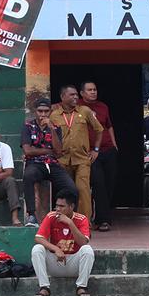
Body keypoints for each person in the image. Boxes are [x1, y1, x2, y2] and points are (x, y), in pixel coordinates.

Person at [50, 85, 104, 221]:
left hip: (82, 159)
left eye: (76, 95)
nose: (75, 97)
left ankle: (84, 223)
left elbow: (99, 130)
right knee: (65, 192)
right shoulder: (54, 115)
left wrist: (96, 149)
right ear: (62, 97)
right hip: (62, 160)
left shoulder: (84, 111)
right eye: (71, 95)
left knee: (83, 190)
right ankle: (64, 220)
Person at [31, 189, 95, 296]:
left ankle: (81, 287)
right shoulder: (51, 216)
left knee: (87, 250)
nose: (58, 209)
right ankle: (44, 287)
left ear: (71, 206)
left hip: (74, 264)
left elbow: (83, 242)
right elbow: (38, 238)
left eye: (62, 206)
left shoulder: (82, 219)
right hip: (56, 262)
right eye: (57, 206)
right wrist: (56, 249)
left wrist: (70, 223)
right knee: (37, 249)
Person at [22, 97, 74, 224]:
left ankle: (68, 216)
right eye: (40, 111)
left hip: (52, 164)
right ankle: (32, 216)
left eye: (46, 111)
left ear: (50, 111)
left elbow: (58, 151)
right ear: (35, 111)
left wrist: (51, 128)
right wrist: (48, 151)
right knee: (28, 176)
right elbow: (28, 151)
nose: (43, 114)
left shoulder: (55, 128)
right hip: (35, 164)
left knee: (71, 187)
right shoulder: (28, 127)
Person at [81, 81, 118, 232]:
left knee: (110, 184)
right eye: (89, 90)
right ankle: (103, 220)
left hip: (108, 150)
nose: (93, 92)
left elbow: (108, 126)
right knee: (98, 184)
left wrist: (115, 145)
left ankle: (101, 216)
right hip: (91, 152)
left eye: (95, 89)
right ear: (82, 93)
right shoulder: (78, 107)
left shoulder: (103, 107)